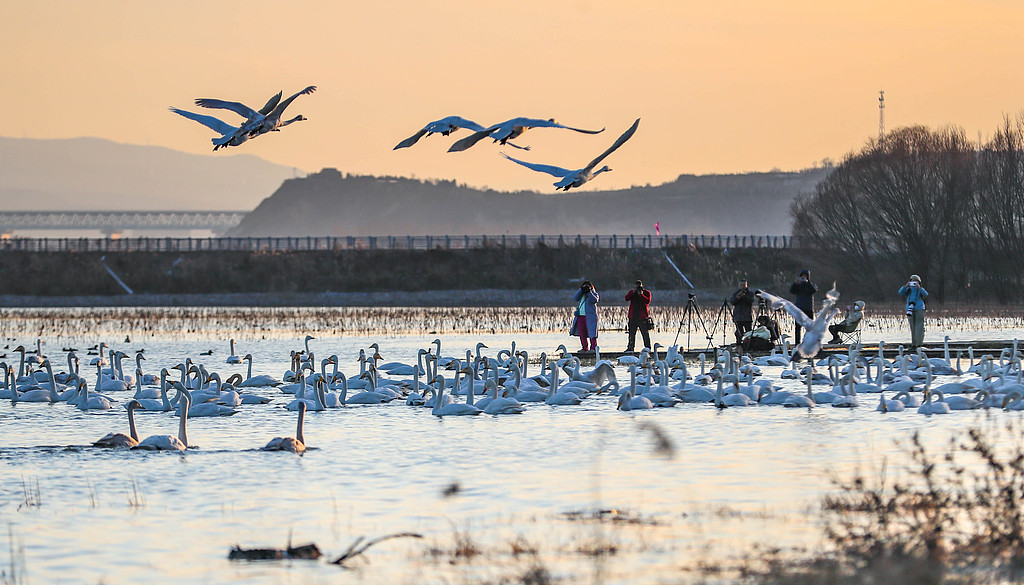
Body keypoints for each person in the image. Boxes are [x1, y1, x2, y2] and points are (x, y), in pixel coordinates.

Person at [898, 275, 928, 348]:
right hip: (910, 310)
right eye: (912, 281)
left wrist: (919, 288)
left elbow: (925, 294)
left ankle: (919, 343)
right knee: (912, 327)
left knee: (919, 326)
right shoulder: (908, 290)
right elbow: (900, 292)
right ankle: (914, 343)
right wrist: (906, 286)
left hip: (919, 308)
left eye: (916, 281)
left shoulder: (920, 289)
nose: (914, 283)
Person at [569, 280, 600, 351]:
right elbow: (575, 298)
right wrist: (581, 290)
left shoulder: (594, 294)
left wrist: (589, 292)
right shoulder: (581, 295)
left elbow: (595, 300)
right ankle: (584, 348)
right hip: (580, 316)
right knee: (582, 333)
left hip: (590, 317)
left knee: (592, 334)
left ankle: (593, 348)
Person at [789, 269, 817, 344]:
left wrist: (807, 283)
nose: (803, 278)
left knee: (810, 328)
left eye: (805, 276)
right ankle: (797, 344)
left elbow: (814, 290)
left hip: (809, 309)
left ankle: (810, 343)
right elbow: (792, 291)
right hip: (799, 309)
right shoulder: (798, 285)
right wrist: (795, 283)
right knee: (797, 328)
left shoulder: (811, 285)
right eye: (802, 276)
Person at [625, 280, 653, 352]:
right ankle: (630, 348)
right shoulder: (632, 292)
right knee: (631, 334)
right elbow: (626, 298)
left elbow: (648, 301)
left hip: (642, 317)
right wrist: (633, 292)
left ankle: (648, 348)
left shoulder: (646, 293)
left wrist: (641, 295)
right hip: (633, 317)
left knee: (645, 334)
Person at [729, 279, 756, 346]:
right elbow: (732, 302)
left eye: (744, 285)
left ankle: (749, 345)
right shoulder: (735, 293)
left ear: (746, 285)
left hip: (747, 317)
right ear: (739, 285)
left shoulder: (750, 294)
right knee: (739, 333)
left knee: (749, 332)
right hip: (738, 317)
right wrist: (737, 298)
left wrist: (744, 297)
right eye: (741, 285)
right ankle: (739, 345)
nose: (742, 286)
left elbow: (751, 301)